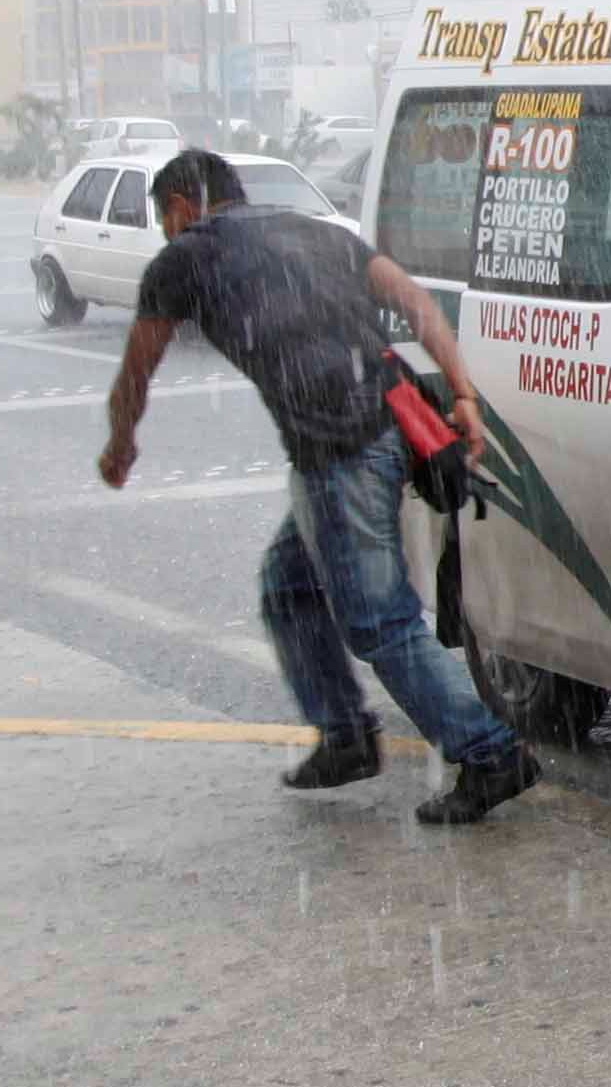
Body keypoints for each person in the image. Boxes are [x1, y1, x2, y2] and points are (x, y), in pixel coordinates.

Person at [98, 148, 540, 825]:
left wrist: (121, 441)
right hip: (389, 427)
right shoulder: (311, 229)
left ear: (183, 206)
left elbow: (137, 366)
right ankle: (344, 736)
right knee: (289, 584)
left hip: (340, 448)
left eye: (164, 219)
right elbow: (414, 302)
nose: (166, 232)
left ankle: (487, 751)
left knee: (381, 620)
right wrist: (463, 395)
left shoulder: (185, 256)